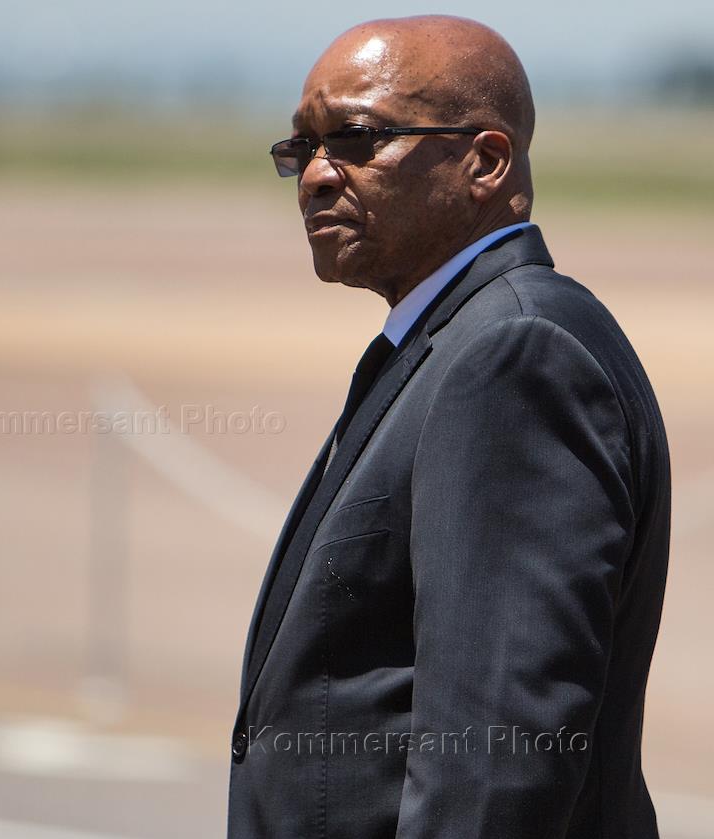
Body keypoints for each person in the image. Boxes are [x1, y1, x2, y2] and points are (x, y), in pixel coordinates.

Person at [229, 15, 669, 839]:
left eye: (356, 139)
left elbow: (493, 767)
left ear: (485, 163)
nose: (316, 175)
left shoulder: (517, 358)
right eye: (302, 147)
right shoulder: (454, 341)